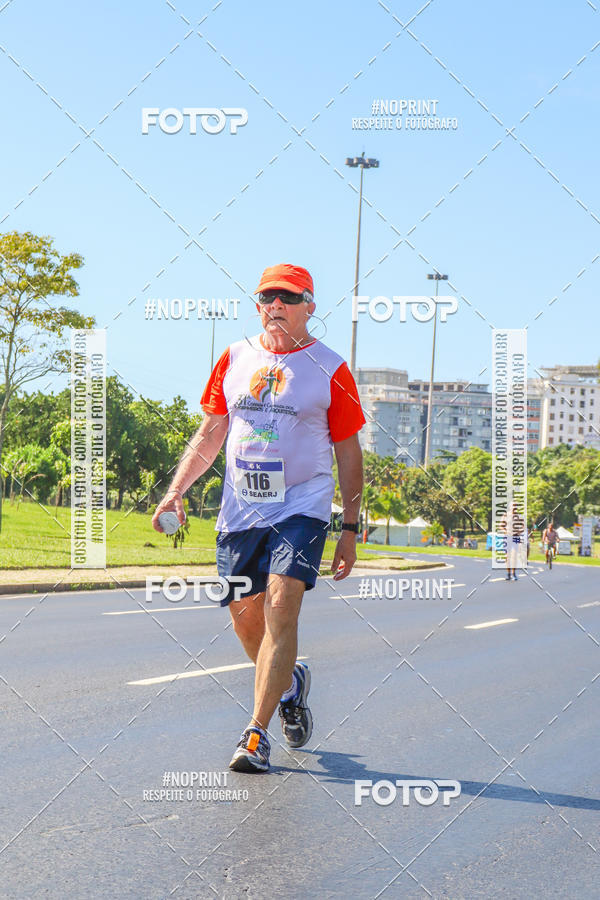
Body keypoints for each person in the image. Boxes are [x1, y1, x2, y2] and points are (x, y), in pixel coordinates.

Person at [152, 264, 365, 773]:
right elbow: (209, 434)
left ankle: (255, 734)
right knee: (248, 621)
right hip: (241, 508)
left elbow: (350, 453)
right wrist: (176, 492)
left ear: (310, 306)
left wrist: (350, 529)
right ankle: (291, 684)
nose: (276, 306)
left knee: (280, 604)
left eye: (287, 298)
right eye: (267, 297)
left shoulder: (330, 368)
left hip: (302, 505)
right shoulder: (234, 356)